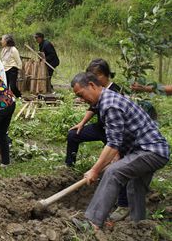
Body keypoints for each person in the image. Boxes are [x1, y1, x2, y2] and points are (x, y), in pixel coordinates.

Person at [70, 72, 169, 231]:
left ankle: (92, 222)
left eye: (81, 94)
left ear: (92, 85)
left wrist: (95, 170)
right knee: (135, 186)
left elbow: (113, 143)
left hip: (150, 151)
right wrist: (116, 157)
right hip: (150, 150)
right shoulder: (105, 100)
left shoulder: (110, 104)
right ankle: (139, 226)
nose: (82, 99)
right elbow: (118, 136)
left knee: (113, 172)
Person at [66, 59, 129, 221]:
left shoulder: (115, 91)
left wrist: (115, 151)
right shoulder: (95, 92)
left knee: (118, 165)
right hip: (101, 128)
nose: (90, 79)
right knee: (73, 134)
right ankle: (69, 167)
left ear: (103, 75)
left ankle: (123, 204)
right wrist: (81, 123)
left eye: (93, 76)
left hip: (116, 132)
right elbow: (92, 108)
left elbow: (117, 136)